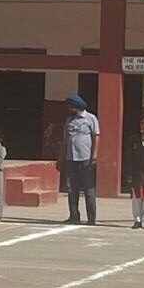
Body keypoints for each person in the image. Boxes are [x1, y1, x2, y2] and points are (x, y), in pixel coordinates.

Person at [58, 93, 100, 225]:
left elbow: (96, 137)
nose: (69, 109)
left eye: (71, 106)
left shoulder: (91, 118)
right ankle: (74, 216)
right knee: (72, 189)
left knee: (89, 189)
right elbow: (65, 140)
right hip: (71, 158)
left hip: (86, 159)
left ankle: (91, 218)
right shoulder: (69, 120)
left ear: (77, 107)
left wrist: (94, 155)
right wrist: (61, 158)